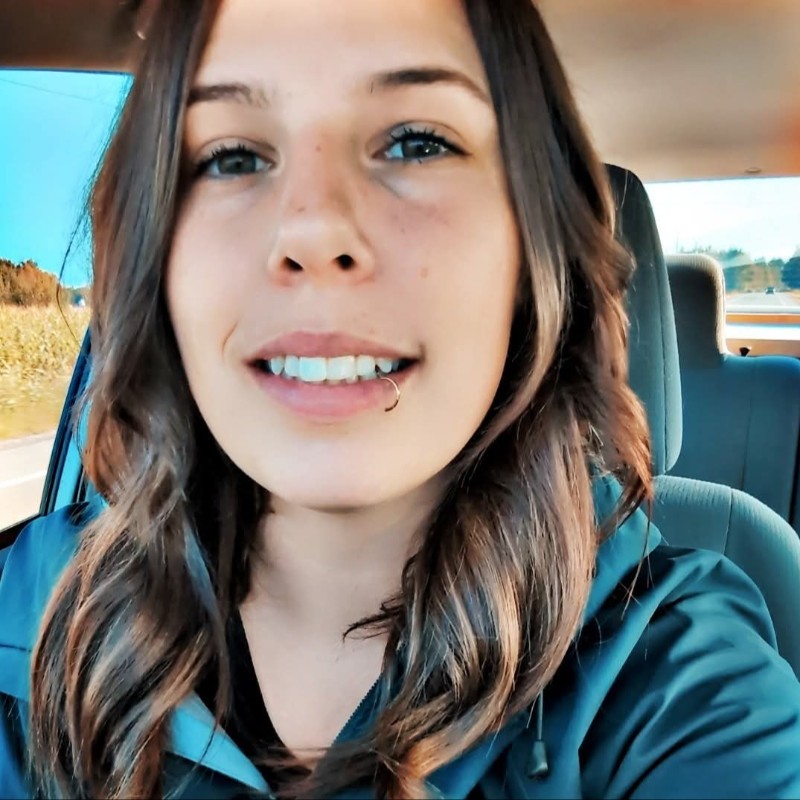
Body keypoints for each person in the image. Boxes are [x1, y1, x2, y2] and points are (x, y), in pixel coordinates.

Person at [1, 0, 799, 797]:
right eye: (231, 156)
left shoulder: (677, 679)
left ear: (533, 249)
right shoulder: (21, 612)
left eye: (418, 143)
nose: (314, 231)